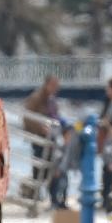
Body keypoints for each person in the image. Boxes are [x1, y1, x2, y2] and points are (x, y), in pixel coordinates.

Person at [24, 75, 68, 208]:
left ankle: (54, 200)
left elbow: (56, 117)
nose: (56, 88)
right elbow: (27, 117)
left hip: (52, 140)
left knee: (54, 169)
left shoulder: (52, 99)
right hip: (39, 140)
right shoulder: (36, 97)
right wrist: (41, 128)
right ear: (47, 84)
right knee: (39, 170)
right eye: (54, 85)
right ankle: (36, 198)